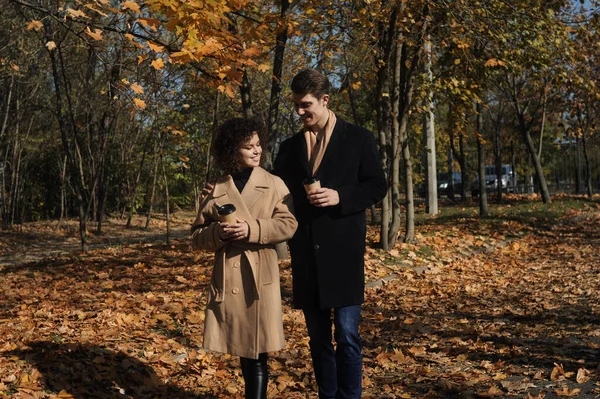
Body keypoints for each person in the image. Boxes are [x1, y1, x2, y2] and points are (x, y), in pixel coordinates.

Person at [272, 69, 387, 399]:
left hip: (344, 253)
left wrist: (341, 196)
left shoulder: (359, 138)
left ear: (325, 100)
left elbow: (377, 185)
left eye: (305, 105)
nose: (299, 112)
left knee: (348, 336)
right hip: (306, 253)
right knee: (318, 338)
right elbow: (272, 189)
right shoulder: (289, 147)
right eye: (296, 105)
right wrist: (226, 187)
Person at [191, 117, 297, 399]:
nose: (256, 151)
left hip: (261, 275)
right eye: (248, 146)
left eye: (259, 144)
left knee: (257, 351)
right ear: (231, 151)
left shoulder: (274, 183)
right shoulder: (215, 189)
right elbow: (196, 238)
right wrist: (219, 233)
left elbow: (288, 225)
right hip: (230, 277)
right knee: (244, 350)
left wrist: (252, 229)